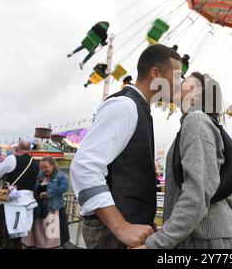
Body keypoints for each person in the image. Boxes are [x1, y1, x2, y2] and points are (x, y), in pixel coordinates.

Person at [70, 44, 182, 249]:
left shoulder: (139, 109)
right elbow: (84, 167)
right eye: (176, 77)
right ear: (156, 73)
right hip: (112, 235)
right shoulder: (125, 106)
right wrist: (121, 226)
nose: (179, 84)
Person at [141, 72, 232, 249]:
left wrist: (156, 244)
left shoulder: (196, 120)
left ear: (197, 93)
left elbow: (196, 193)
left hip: (208, 241)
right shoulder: (196, 124)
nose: (177, 83)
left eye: (184, 80)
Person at [0, 141, 39, 249]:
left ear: (18, 148)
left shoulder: (12, 158)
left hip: (10, 199)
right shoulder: (35, 163)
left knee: (6, 233)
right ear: (30, 149)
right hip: (27, 201)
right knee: (18, 235)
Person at [22, 156, 70, 249]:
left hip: (53, 206)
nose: (44, 170)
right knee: (39, 227)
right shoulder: (41, 174)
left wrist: (49, 193)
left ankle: (50, 245)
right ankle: (38, 243)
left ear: (52, 166)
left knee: (50, 229)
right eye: (42, 167)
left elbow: (64, 188)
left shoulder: (61, 176)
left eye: (46, 167)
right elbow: (35, 187)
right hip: (40, 206)